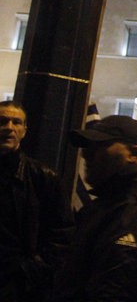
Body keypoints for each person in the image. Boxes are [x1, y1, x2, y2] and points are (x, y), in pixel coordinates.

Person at [52, 114, 137, 301]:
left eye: (100, 147)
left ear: (134, 154)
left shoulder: (135, 210)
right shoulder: (118, 200)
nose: (86, 154)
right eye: (88, 147)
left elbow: (115, 289)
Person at [0, 100, 74, 301]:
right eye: (2, 121)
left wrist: (28, 273)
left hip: (18, 285)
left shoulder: (43, 178)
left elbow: (62, 235)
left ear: (24, 131)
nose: (9, 127)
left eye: (16, 122)